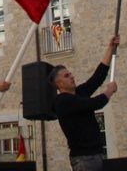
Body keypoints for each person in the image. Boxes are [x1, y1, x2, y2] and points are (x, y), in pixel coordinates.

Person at [50, 35, 119, 171]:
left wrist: (110, 48)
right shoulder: (62, 101)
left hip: (95, 155)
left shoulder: (78, 93)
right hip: (84, 159)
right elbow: (94, 103)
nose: (72, 76)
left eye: (70, 74)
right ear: (59, 83)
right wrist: (109, 91)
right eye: (66, 76)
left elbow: (97, 78)